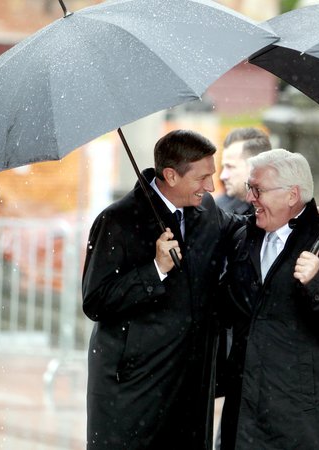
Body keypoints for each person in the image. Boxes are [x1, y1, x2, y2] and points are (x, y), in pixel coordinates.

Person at [82, 129, 243, 450]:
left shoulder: (207, 211)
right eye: (202, 178)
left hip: (190, 389)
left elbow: (243, 228)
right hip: (133, 390)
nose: (211, 186)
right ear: (170, 174)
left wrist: (306, 219)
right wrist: (155, 270)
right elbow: (96, 301)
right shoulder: (117, 221)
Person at [218, 148, 319, 450]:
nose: (250, 198)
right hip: (244, 415)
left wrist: (318, 283)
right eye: (250, 188)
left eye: (257, 189)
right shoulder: (242, 236)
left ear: (291, 195)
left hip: (302, 420)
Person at [217, 127, 272, 214]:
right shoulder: (222, 212)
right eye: (224, 167)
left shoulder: (290, 213)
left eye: (230, 167)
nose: (222, 176)